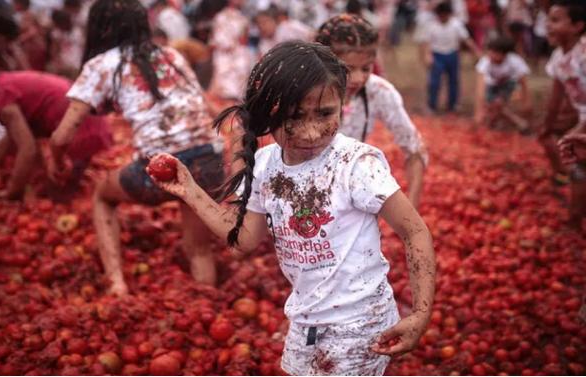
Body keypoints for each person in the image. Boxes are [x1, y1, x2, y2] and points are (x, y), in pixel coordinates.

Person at [148, 41, 435, 375]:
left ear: (342, 105)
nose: (311, 132)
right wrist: (189, 191)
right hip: (304, 319)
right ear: (268, 113)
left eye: (326, 114)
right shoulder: (266, 164)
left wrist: (420, 313)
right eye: (294, 118)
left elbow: (414, 231)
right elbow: (243, 239)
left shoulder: (355, 164)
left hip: (361, 320)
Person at [49, 0, 224, 296]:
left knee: (103, 195)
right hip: (210, 158)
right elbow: (207, 108)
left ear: (100, 28)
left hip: (161, 168)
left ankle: (117, 283)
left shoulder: (103, 64)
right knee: (199, 248)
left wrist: (55, 161)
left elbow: (62, 136)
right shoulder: (171, 55)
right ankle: (207, 300)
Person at [0, 58, 112, 199]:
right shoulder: (4, 82)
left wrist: (13, 190)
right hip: (87, 117)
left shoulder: (1, 101)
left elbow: (28, 148)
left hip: (79, 128)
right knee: (64, 184)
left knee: (60, 191)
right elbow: (14, 135)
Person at [316, 14, 427, 207]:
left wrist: (412, 213)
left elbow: (414, 149)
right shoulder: (304, 91)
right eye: (348, 69)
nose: (358, 78)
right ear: (323, 62)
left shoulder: (378, 91)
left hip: (349, 189)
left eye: (366, 69)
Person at [542, 0, 586, 229]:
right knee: (579, 166)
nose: (548, 25)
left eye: (556, 20)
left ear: (578, 26)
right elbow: (556, 97)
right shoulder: (559, 57)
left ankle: (575, 218)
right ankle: (575, 217)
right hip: (582, 118)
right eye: (548, 19)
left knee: (579, 164)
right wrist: (547, 126)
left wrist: (578, 128)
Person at [415, 1, 481, 113]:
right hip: (437, 55)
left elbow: (466, 39)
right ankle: (432, 105)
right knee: (434, 82)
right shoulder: (432, 26)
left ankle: (452, 104)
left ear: (449, 14)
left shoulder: (456, 25)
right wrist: (427, 56)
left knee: (453, 81)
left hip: (452, 54)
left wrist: (476, 52)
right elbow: (426, 43)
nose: (443, 17)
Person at [474, 35, 531, 131]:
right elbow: (480, 88)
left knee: (497, 104)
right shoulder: (485, 61)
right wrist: (478, 111)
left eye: (494, 52)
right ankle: (519, 123)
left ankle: (516, 123)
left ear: (504, 54)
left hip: (508, 83)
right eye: (490, 51)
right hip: (492, 84)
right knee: (490, 106)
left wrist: (526, 102)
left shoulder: (515, 61)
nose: (490, 54)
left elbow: (524, 83)